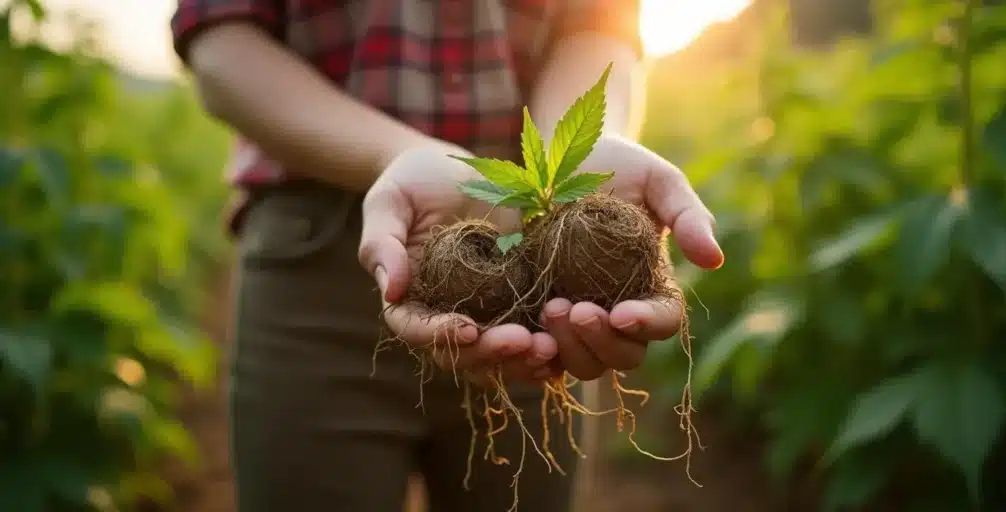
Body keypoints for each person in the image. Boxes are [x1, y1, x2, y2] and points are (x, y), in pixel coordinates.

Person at [170, 1, 724, 511]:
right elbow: (222, 39)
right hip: (316, 261)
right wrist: (401, 155)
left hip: (537, 274)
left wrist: (570, 164)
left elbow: (598, 23)